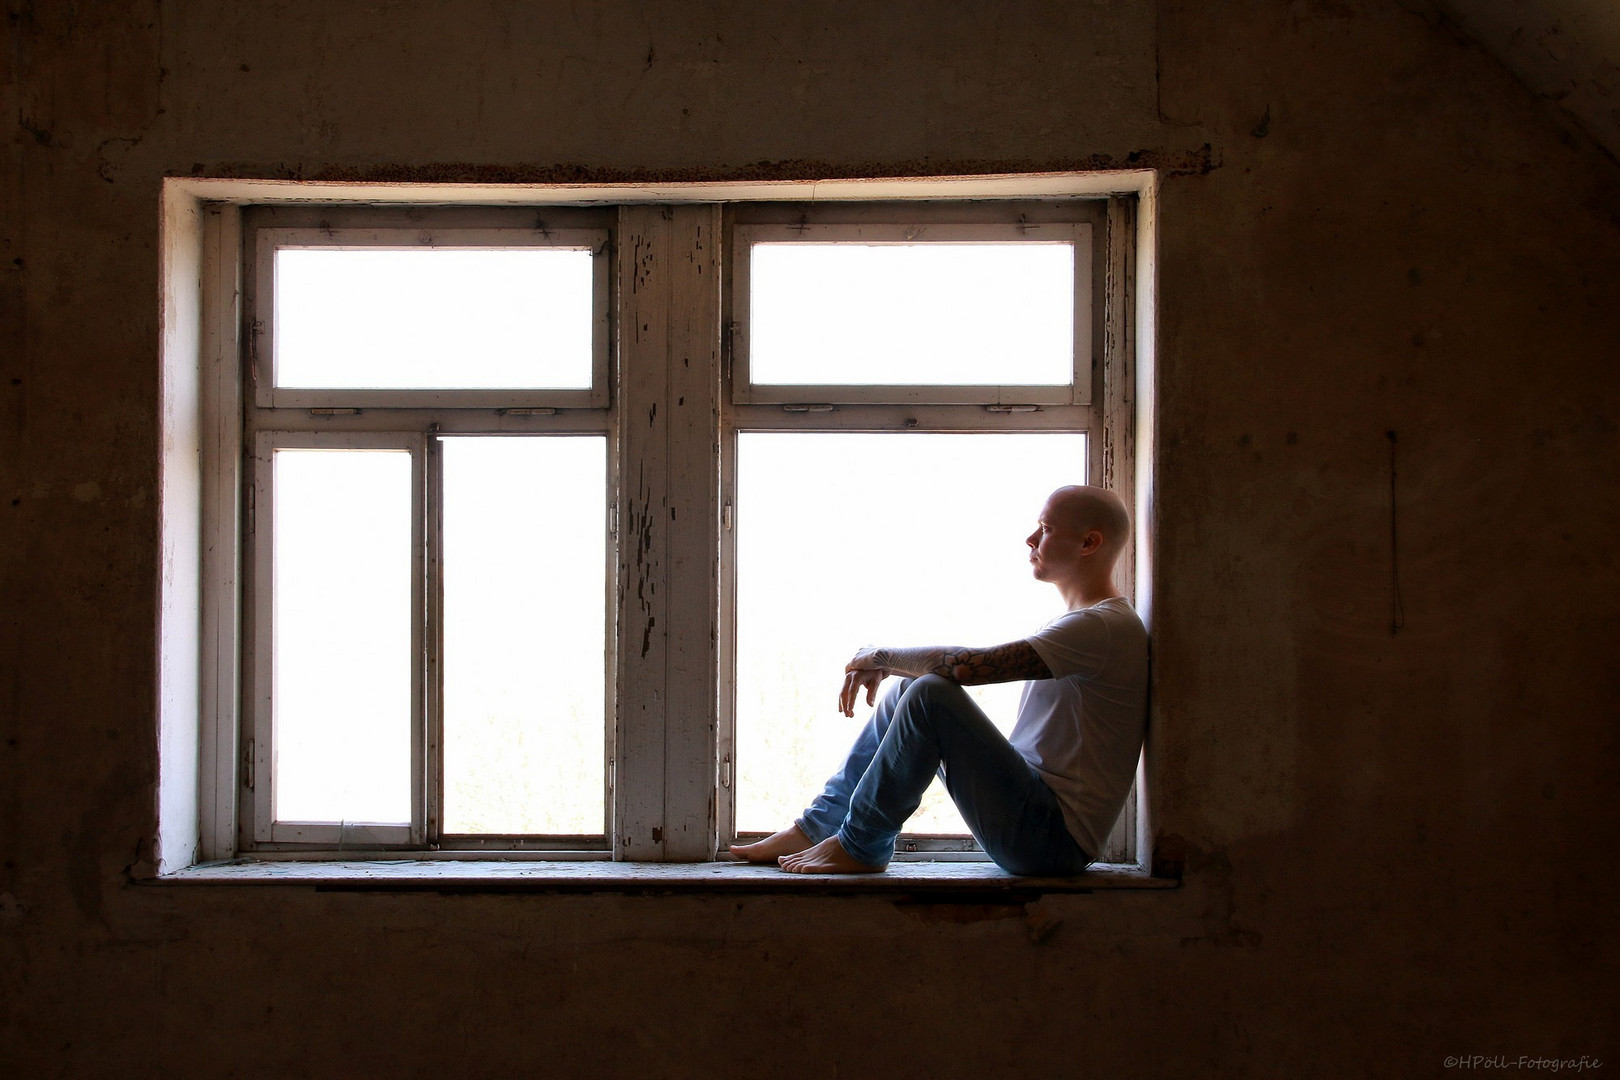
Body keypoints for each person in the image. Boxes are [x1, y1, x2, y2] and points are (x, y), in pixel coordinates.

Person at [729, 484, 1148, 875]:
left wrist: (882, 656)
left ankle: (861, 845)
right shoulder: (1088, 624)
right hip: (1031, 819)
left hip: (1051, 841)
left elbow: (967, 667)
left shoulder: (1103, 627)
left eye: (1045, 528)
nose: (1030, 540)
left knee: (929, 692)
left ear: (1089, 543)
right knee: (910, 689)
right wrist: (894, 668)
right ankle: (816, 827)